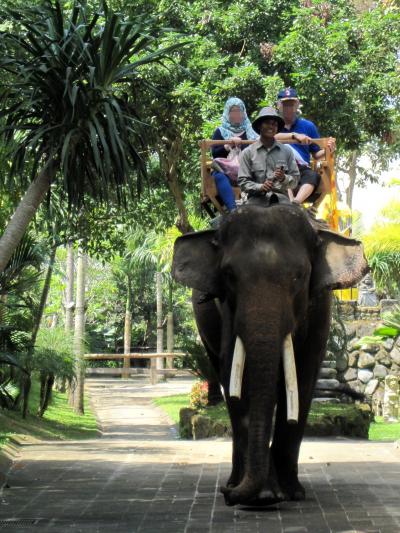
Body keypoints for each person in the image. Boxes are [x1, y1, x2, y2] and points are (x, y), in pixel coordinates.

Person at [274, 87, 336, 205]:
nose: (289, 108)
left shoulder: (308, 126)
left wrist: (328, 149)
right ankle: (290, 202)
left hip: (301, 168)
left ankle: (296, 203)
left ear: (297, 105)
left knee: (312, 176)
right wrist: (294, 136)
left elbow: (317, 154)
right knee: (281, 174)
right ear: (279, 106)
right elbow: (266, 138)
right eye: (285, 104)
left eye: (292, 104)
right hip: (280, 165)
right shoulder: (273, 124)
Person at [238, 107, 299, 203]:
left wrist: (283, 178)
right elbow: (243, 182)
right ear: (259, 126)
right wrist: (260, 187)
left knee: (296, 216)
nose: (271, 126)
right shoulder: (248, 152)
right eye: (267, 123)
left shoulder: (287, 151)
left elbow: (295, 180)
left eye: (274, 124)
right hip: (256, 200)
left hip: (281, 200)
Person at [211, 97, 258, 211]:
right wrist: (227, 146)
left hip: (247, 168)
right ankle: (233, 210)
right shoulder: (220, 131)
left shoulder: (251, 131)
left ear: (244, 113)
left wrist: (242, 145)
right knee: (218, 176)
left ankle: (257, 205)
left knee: (262, 172)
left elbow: (257, 150)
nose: (237, 114)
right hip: (226, 170)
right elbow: (215, 154)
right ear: (227, 113)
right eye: (233, 111)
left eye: (239, 111)